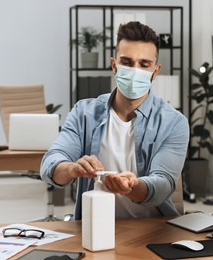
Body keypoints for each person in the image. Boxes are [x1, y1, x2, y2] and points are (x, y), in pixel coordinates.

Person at [40, 21, 189, 220]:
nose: (135, 71)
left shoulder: (173, 122)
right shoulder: (84, 113)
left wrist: (134, 186)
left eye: (144, 64)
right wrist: (72, 168)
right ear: (114, 65)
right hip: (92, 226)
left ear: (155, 71)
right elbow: (50, 164)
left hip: (152, 231)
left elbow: (163, 184)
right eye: (127, 62)